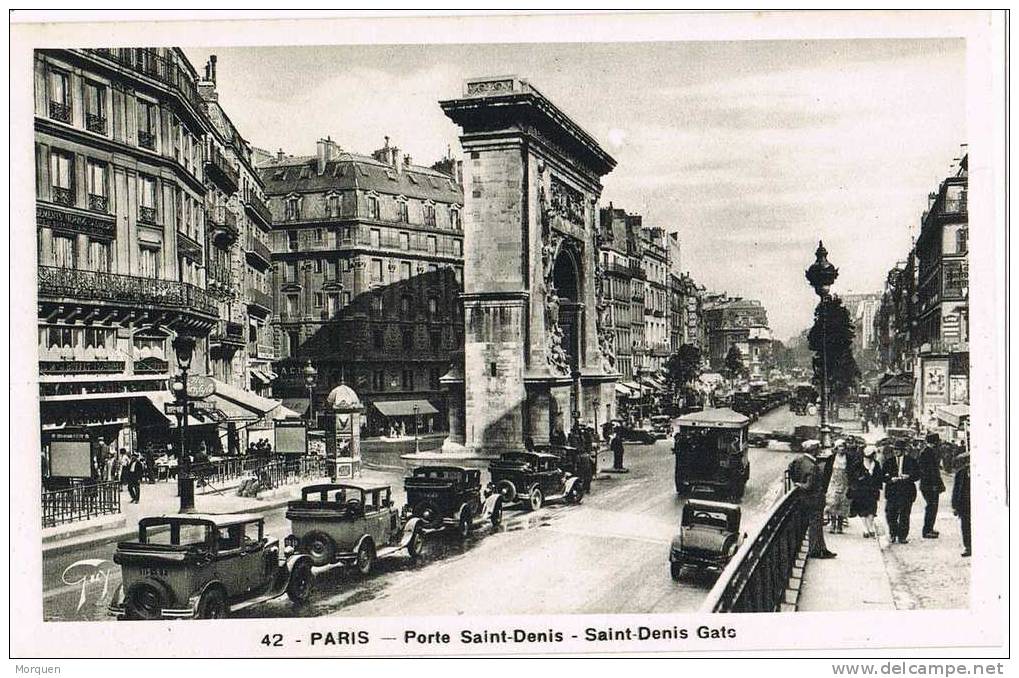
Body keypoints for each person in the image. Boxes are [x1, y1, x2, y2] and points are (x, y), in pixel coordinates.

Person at [787, 441, 836, 558]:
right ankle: (815, 550)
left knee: (815, 525)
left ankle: (822, 548)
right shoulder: (813, 466)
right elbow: (809, 486)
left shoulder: (799, 460)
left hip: (803, 499)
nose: (819, 451)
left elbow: (790, 469)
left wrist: (796, 481)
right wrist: (800, 484)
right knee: (816, 525)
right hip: (814, 500)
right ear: (813, 451)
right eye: (818, 449)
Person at [882, 442, 919, 544]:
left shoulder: (911, 461)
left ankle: (902, 536)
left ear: (903, 450)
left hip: (906, 491)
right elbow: (882, 476)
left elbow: (917, 475)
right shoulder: (888, 461)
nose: (896, 451)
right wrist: (890, 479)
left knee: (904, 514)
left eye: (898, 449)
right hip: (892, 491)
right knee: (890, 514)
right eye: (894, 449)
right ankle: (893, 533)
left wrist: (908, 477)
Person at [849, 445, 883, 538]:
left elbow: (880, 477)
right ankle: (865, 529)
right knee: (862, 510)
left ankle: (871, 527)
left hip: (872, 490)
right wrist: (859, 479)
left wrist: (877, 485)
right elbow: (852, 476)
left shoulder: (876, 464)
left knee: (872, 510)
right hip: (861, 490)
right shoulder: (859, 464)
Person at [918, 433, 946, 538]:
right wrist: (934, 485)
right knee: (931, 507)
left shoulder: (928, 452)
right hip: (929, 486)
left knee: (932, 507)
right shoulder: (927, 453)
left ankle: (929, 528)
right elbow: (928, 472)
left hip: (930, 485)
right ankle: (927, 530)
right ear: (934, 442)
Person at [824, 440, 851, 534]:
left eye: (843, 446)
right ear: (836, 448)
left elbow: (852, 471)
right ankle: (832, 524)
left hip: (844, 483)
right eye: (839, 446)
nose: (841, 448)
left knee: (842, 504)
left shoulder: (849, 458)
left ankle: (839, 526)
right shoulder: (831, 458)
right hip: (833, 482)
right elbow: (827, 472)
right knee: (832, 503)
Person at [951, 452, 971, 557]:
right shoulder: (960, 473)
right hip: (964, 504)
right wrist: (954, 506)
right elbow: (956, 490)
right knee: (965, 526)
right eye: (967, 462)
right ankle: (968, 547)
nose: (969, 464)